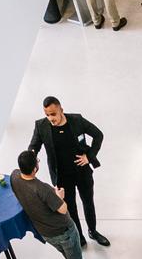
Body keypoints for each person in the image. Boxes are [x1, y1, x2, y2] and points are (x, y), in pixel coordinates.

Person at [10, 149, 95, 259]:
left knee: (70, 256)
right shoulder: (43, 189)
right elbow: (62, 209)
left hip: (45, 233)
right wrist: (60, 197)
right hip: (64, 231)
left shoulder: (14, 177)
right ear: (35, 168)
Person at [27, 97, 107, 246]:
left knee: (88, 202)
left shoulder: (77, 120)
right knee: (71, 208)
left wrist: (89, 157)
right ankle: (79, 236)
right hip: (62, 177)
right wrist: (31, 157)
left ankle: (93, 231)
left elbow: (98, 135)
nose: (51, 118)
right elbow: (34, 146)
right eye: (47, 115)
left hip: (82, 172)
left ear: (61, 110)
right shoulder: (41, 126)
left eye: (53, 114)